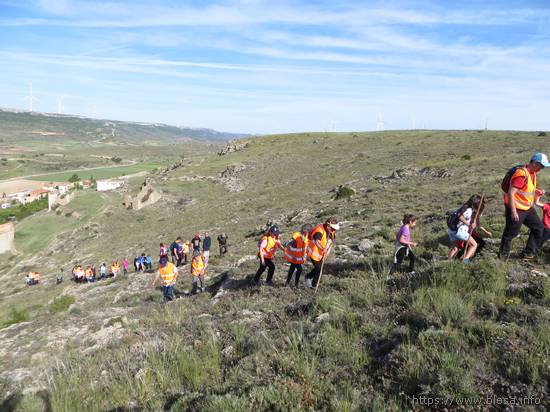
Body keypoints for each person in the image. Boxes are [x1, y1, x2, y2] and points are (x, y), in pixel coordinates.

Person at [499, 153, 548, 260]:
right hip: (516, 208)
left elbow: (525, 189)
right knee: (510, 234)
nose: (542, 168)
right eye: (542, 166)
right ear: (535, 163)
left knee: (538, 227)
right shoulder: (521, 174)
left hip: (527, 208)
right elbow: (511, 193)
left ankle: (528, 253)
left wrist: (536, 191)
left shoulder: (532, 173)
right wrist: (513, 211)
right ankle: (502, 258)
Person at [448, 195, 486, 263]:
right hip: (460, 231)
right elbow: (460, 217)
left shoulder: (464, 207)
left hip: (451, 231)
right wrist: (469, 225)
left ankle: (449, 263)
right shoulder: (469, 210)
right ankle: (465, 261)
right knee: (474, 245)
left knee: (455, 248)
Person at [305, 217, 340, 289]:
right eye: (333, 228)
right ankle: (311, 281)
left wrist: (327, 253)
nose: (334, 230)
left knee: (319, 268)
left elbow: (330, 243)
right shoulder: (319, 231)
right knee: (319, 268)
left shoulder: (332, 232)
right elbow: (317, 242)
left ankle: (311, 280)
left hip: (321, 254)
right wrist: (323, 249)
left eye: (335, 229)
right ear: (328, 226)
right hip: (313, 253)